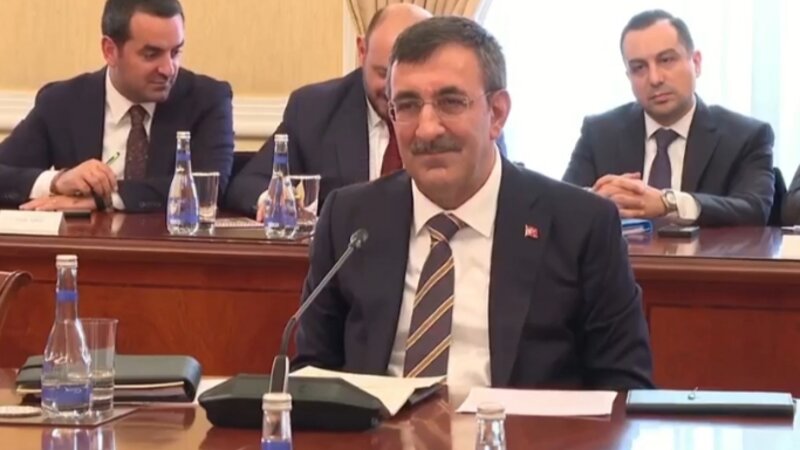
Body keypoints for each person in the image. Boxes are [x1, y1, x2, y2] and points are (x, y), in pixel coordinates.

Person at [294, 16, 653, 390]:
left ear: (497, 113)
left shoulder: (581, 224)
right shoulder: (350, 218)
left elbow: (625, 387)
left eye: (451, 102)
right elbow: (312, 375)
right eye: (408, 105)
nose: (427, 129)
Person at [0, 0, 234, 213]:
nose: (168, 69)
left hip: (170, 243)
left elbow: (208, 189)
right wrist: (57, 181)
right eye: (151, 54)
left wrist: (106, 199)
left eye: (175, 52)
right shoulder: (62, 102)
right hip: (82, 243)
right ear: (110, 51)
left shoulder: (207, 100)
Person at [563, 9, 774, 227]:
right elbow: (560, 205)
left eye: (666, 60)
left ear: (696, 63)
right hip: (623, 250)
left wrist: (669, 203)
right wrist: (594, 199)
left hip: (706, 251)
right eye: (639, 68)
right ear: (628, 76)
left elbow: (755, 210)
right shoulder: (599, 133)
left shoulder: (746, 137)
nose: (655, 79)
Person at [224, 4, 433, 219]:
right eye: (383, 73)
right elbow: (250, 182)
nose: (393, 91)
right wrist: (271, 200)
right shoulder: (315, 109)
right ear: (362, 51)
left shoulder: (448, 117)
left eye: (409, 77)